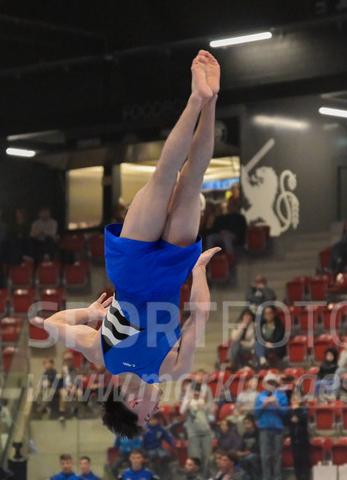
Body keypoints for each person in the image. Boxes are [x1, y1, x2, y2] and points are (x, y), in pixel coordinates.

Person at [32, 51, 221, 440]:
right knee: (166, 176)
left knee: (190, 179)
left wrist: (198, 272)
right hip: (132, 271)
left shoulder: (170, 368)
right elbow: (51, 324)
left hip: (168, 273)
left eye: (149, 417)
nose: (156, 411)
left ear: (134, 407)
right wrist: (86, 313)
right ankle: (195, 99)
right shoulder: (102, 353)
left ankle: (210, 99)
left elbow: (198, 316)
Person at [253, 372, 288, 480]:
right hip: (264, 428)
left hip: (277, 428)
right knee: (265, 456)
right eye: (269, 383)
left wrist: (276, 404)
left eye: (273, 382)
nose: (271, 385)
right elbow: (256, 413)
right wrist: (263, 405)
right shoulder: (260, 396)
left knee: (277, 455)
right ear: (265, 384)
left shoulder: (282, 396)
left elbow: (284, 413)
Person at [180, 375, 215, 469]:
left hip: (206, 432)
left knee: (207, 457)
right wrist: (189, 400)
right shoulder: (188, 402)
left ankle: (205, 478)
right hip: (193, 433)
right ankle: (194, 478)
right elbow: (182, 411)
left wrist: (204, 403)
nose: (197, 394)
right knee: (195, 457)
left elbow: (211, 414)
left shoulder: (203, 402)